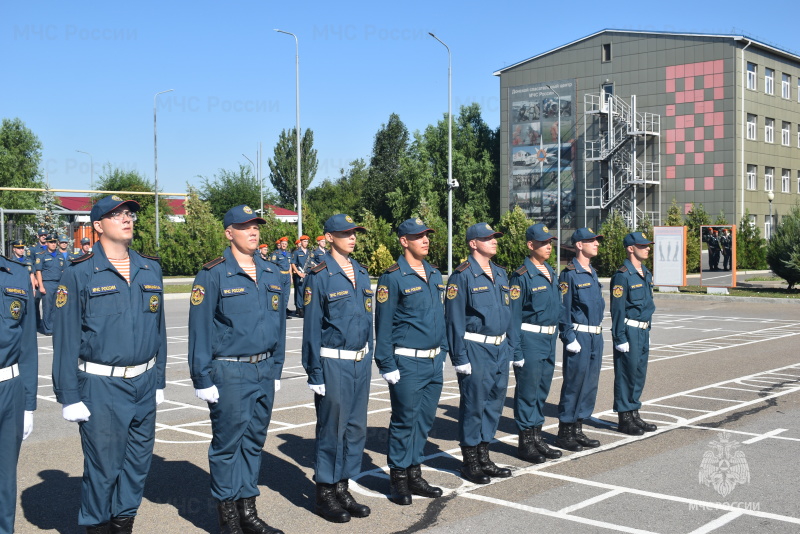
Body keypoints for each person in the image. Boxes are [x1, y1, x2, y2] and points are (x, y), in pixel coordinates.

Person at [52, 195, 167, 533]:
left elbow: (157, 330)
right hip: (102, 386)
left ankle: (123, 523)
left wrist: (159, 380)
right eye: (117, 215)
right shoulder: (80, 272)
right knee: (103, 466)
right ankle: (96, 525)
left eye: (129, 213)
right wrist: (69, 395)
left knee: (137, 464)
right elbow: (66, 339)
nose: (127, 219)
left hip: (144, 383)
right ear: (98, 226)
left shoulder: (150, 268)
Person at [189, 205, 286, 534]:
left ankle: (248, 510)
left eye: (256, 226)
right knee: (227, 445)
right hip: (230, 372)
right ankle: (228, 517)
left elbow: (280, 326)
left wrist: (276, 368)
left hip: (263, 370)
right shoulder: (213, 273)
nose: (253, 232)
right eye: (245, 227)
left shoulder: (272, 273)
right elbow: (199, 328)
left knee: (254, 442)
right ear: (229, 232)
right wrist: (201, 376)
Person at [302, 214, 373, 523]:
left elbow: (368, 321)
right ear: (329, 237)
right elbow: (312, 329)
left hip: (360, 362)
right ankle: (325, 492)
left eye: (354, 233)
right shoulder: (319, 275)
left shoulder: (362, 272)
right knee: (332, 428)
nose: (352, 237)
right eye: (345, 233)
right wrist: (314, 371)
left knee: (355, 428)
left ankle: (343, 486)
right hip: (334, 362)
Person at [374, 218, 446, 505]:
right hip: (407, 362)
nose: (425, 240)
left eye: (427, 236)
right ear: (404, 241)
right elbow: (384, 324)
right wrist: (386, 363)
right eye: (419, 237)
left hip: (433, 361)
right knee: (405, 421)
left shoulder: (434, 273)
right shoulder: (392, 277)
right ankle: (399, 478)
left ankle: (415, 472)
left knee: (425, 421)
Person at [445, 223, 513, 485]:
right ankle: (470, 461)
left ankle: (484, 455)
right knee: (474, 405)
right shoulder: (461, 276)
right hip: (476, 347)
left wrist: (510, 348)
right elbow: (454, 321)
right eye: (487, 238)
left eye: (494, 237)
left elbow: (509, 314)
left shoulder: (501, 274)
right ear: (473, 244)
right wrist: (460, 357)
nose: (494, 241)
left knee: (495, 403)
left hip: (500, 347)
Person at [508, 223, 562, 464]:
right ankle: (526, 442)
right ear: (531, 245)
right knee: (528, 392)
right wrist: (516, 350)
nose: (548, 246)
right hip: (529, 339)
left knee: (541, 391)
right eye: (543, 243)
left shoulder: (550, 271)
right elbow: (514, 316)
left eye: (550, 242)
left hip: (548, 338)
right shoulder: (521, 276)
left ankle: (537, 436)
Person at [556, 227, 605, 452]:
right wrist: (568, 336)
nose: (596, 244)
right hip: (580, 335)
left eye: (596, 241)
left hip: (595, 334)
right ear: (579, 245)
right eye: (591, 241)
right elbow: (563, 309)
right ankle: (565, 431)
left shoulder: (591, 271)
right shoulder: (570, 274)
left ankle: (578, 427)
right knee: (574, 383)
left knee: (589, 384)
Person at [0, 244, 38, 534]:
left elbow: (27, 345)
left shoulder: (15, 275)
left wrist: (28, 402)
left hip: (9, 389)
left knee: (4, 479)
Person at [611, 232, 657, 436]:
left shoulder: (645, 272)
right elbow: (617, 309)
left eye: (648, 245)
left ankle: (634, 411)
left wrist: (648, 328)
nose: (647, 248)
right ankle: (624, 417)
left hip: (643, 329)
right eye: (643, 246)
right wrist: (619, 337)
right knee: (625, 373)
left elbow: (649, 304)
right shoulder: (622, 275)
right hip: (629, 330)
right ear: (631, 249)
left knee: (639, 373)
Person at [34, 234, 62, 335]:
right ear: (47, 243)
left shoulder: (60, 255)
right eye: (51, 242)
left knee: (56, 306)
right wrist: (41, 286)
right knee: (47, 307)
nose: (53, 244)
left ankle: (54, 326)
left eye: (55, 242)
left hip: (58, 283)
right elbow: (38, 272)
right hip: (47, 283)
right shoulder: (42, 255)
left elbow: (64, 270)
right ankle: (48, 329)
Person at [269, 238, 291, 318]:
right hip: (280, 275)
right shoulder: (276, 254)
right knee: (280, 294)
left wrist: (290, 276)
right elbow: (273, 266)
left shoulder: (288, 254)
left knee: (286, 294)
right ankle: (278, 311)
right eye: (282, 244)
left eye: (285, 244)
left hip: (287, 275)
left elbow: (290, 265)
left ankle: (284, 312)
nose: (284, 245)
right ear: (280, 244)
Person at [291, 235, 310, 318]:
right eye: (304, 241)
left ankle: (306, 306)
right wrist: (299, 273)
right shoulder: (297, 252)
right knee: (300, 291)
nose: (306, 243)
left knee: (307, 291)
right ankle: (300, 308)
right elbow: (293, 263)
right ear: (301, 242)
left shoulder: (309, 252)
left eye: (307, 241)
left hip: (307, 274)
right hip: (300, 274)